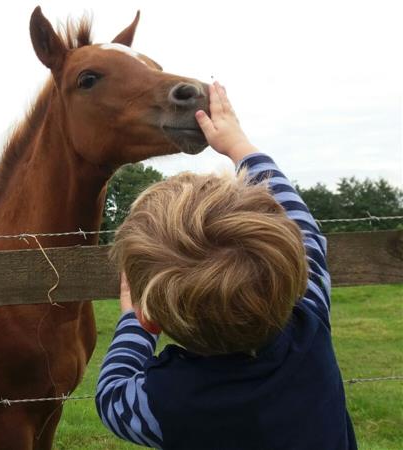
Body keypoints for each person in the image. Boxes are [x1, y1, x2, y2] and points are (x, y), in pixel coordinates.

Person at [95, 82, 356, 449]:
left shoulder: (159, 404)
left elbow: (111, 392)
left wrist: (133, 325)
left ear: (149, 315)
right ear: (296, 271)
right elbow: (304, 226)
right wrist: (239, 146)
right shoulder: (309, 328)